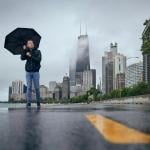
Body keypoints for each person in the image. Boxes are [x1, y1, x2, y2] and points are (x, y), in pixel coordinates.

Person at [20, 40, 42, 108]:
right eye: (29, 43)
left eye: (32, 43)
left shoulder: (38, 51)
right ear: (27, 45)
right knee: (28, 87)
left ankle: (38, 102)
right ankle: (28, 102)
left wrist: (30, 56)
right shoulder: (26, 52)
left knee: (37, 88)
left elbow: (38, 60)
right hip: (28, 72)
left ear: (33, 44)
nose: (31, 44)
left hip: (36, 72)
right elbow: (22, 58)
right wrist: (24, 50)